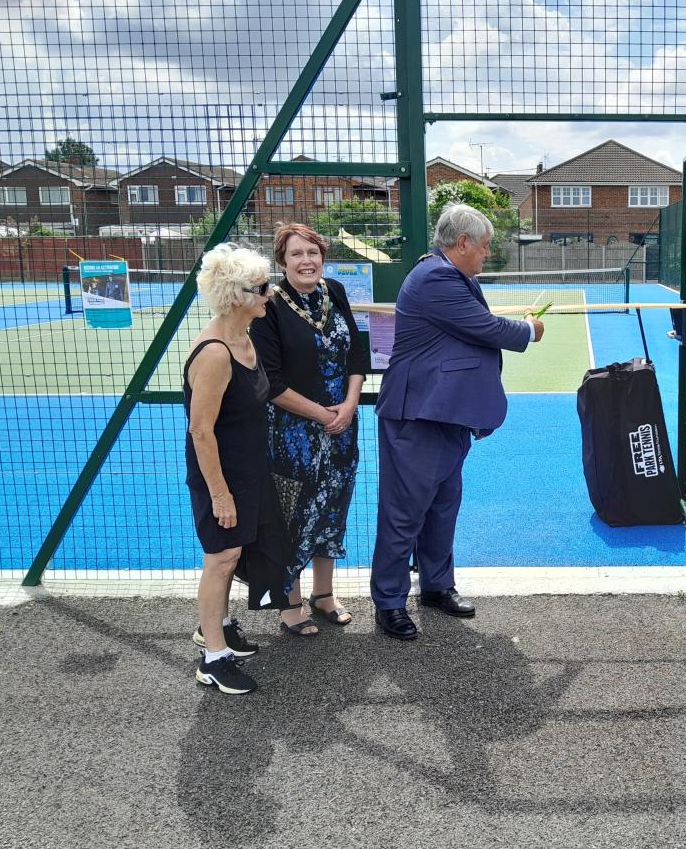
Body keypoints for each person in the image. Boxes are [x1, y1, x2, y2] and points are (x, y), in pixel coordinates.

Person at [371, 204, 545, 640]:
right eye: (484, 247)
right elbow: (485, 328)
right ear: (462, 242)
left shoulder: (450, 275)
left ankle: (436, 586)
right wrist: (529, 329)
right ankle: (389, 603)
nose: (487, 255)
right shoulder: (436, 277)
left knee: (443, 506)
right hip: (419, 414)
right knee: (404, 513)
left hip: (446, 412)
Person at [249, 223, 369, 636]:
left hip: (342, 429)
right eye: (297, 254)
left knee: (333, 509)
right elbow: (271, 382)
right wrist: (322, 414)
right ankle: (290, 600)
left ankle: (323, 595)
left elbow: (358, 351)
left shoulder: (334, 291)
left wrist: (350, 405)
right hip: (293, 436)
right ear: (282, 262)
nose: (307, 261)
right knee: (295, 515)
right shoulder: (270, 306)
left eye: (313, 252)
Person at [184, 242, 274, 695]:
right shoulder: (216, 353)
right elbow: (202, 431)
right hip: (220, 475)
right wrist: (220, 494)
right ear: (239, 296)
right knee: (220, 560)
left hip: (245, 469)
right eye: (262, 288)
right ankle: (212, 659)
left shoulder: (244, 338)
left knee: (231, 555)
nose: (270, 294)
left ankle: (213, 628)